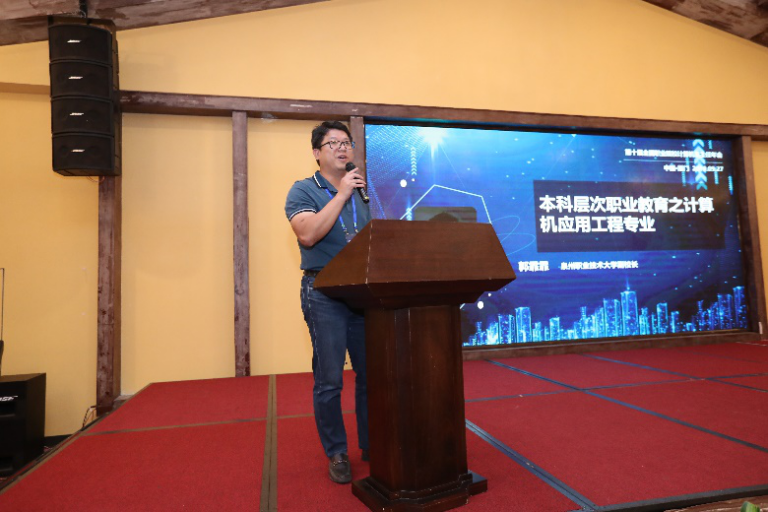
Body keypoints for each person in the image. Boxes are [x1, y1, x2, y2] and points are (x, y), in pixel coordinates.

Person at [284, 121, 371, 484]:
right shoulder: (304, 190)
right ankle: (336, 451)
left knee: (371, 375)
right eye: (332, 143)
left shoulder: (363, 191)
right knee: (330, 379)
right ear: (316, 153)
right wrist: (342, 194)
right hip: (324, 292)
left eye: (346, 142)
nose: (342, 148)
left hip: (363, 293)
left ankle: (372, 443)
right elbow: (308, 235)